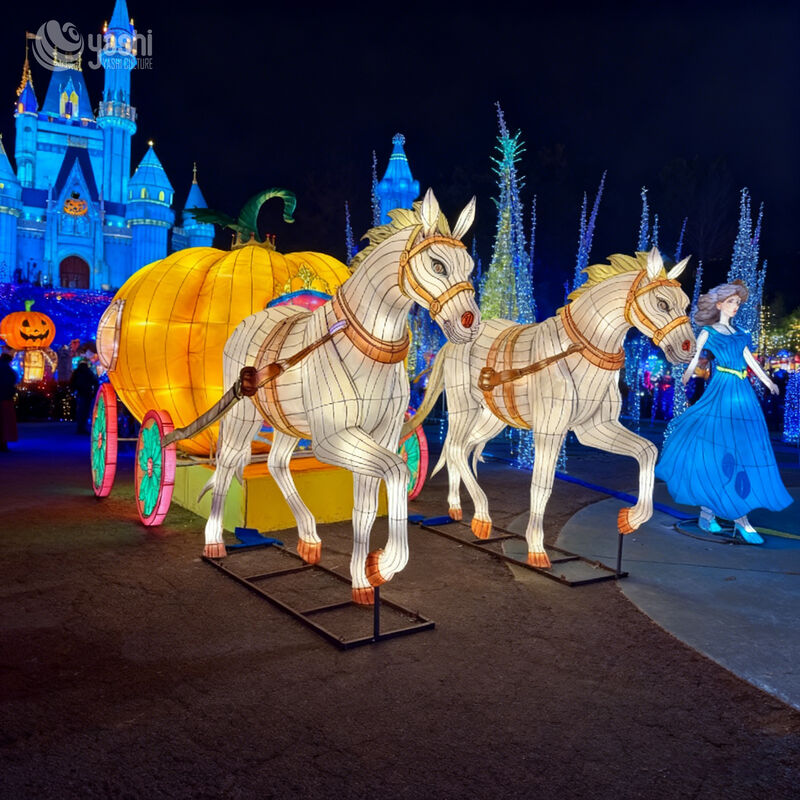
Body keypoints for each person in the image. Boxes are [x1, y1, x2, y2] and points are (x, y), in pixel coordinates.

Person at [655, 282, 792, 544]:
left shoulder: (740, 332)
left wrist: (768, 381)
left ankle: (735, 516)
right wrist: (686, 373)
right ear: (719, 304)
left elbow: (750, 360)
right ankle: (716, 515)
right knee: (719, 450)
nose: (735, 306)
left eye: (737, 303)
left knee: (743, 450)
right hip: (723, 389)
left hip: (743, 392)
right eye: (731, 302)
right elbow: (695, 356)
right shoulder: (708, 332)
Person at [69, 359, 98, 435]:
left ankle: (80, 427)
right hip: (87, 393)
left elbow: (72, 382)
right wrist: (94, 392)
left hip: (80, 393)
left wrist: (73, 391)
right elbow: (95, 382)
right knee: (85, 411)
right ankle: (82, 427)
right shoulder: (88, 372)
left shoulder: (77, 372)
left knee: (80, 411)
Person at [0, 348, 19, 452]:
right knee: (5, 422)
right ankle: (3, 443)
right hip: (6, 399)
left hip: (4, 397)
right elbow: (13, 380)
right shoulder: (8, 371)